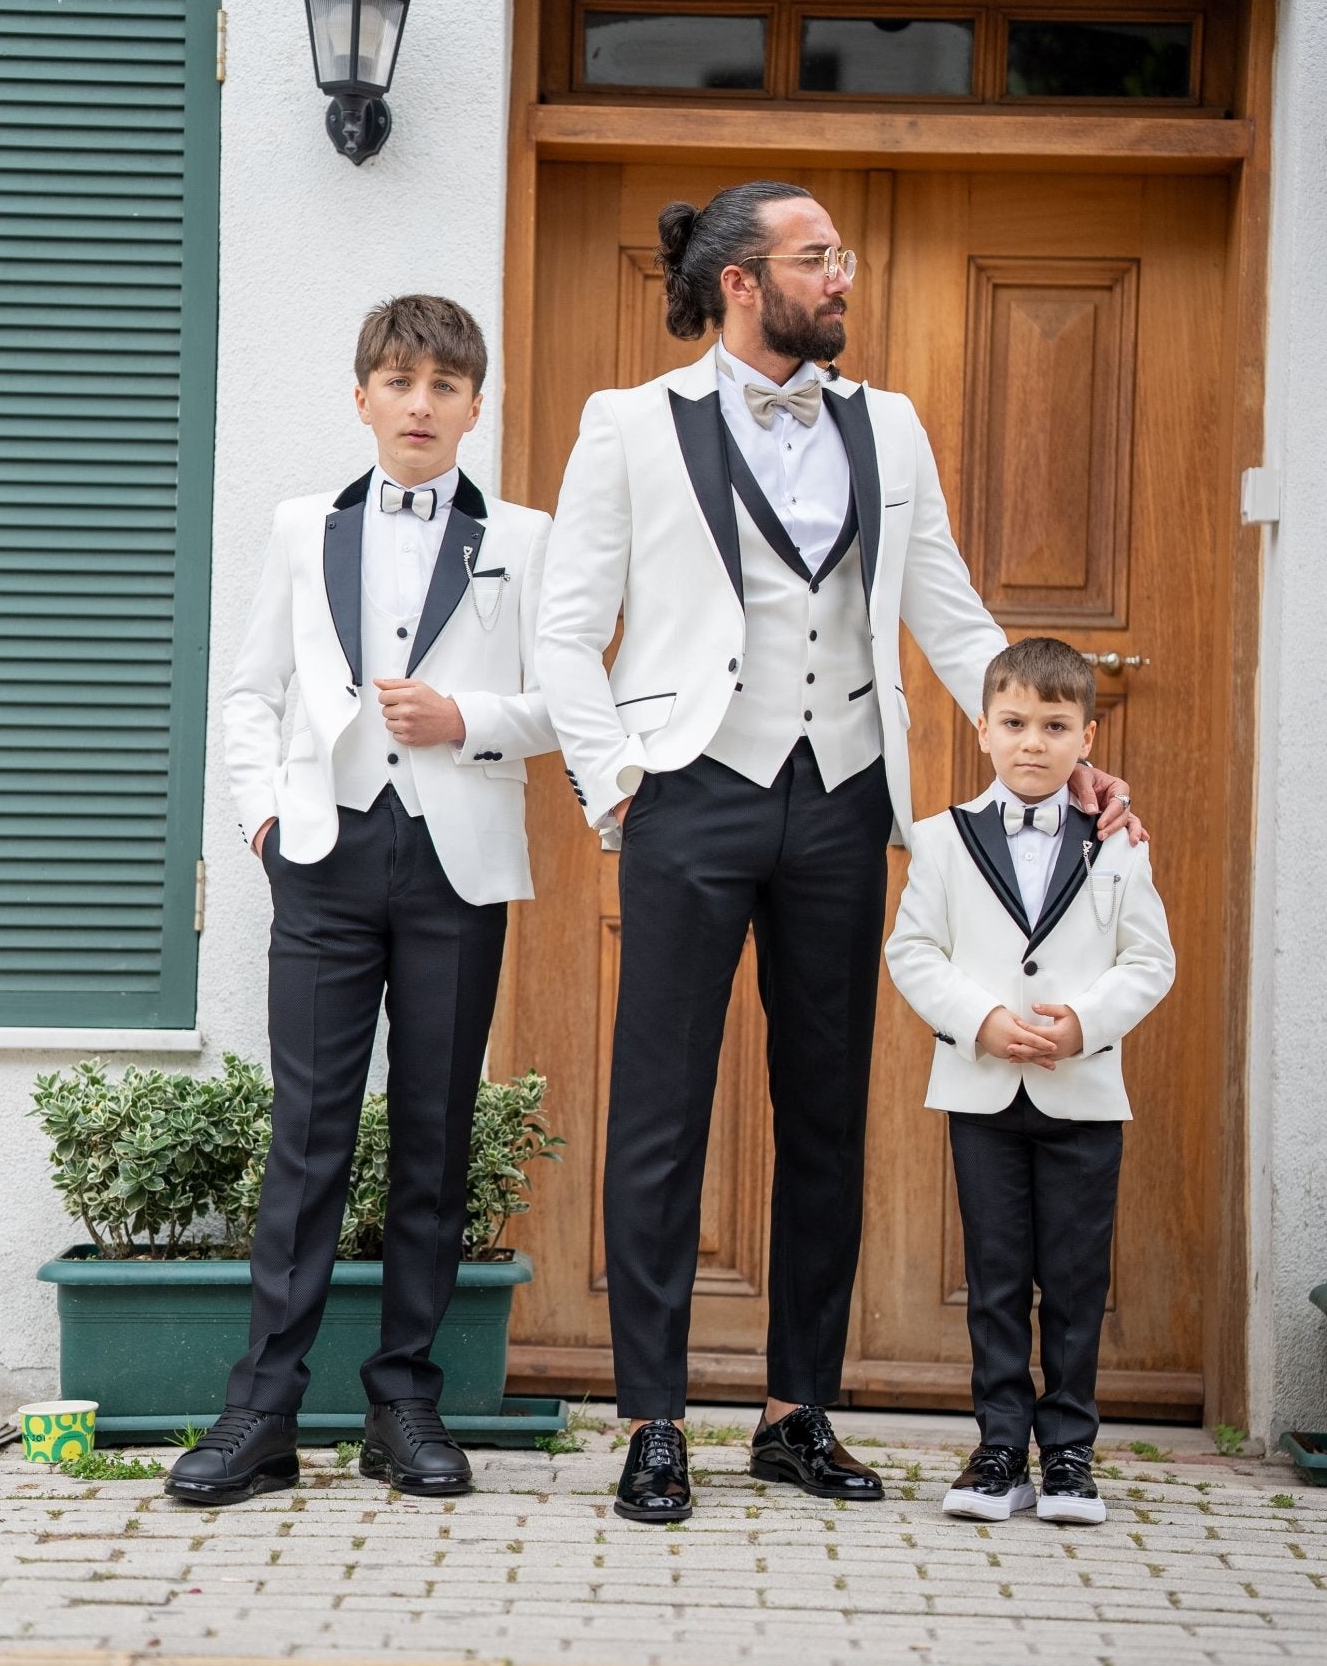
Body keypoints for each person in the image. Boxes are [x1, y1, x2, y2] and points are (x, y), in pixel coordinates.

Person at [534, 182, 1141, 1524]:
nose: (846, 277)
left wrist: (1060, 755)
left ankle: (795, 1410)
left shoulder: (891, 426)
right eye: (821, 260)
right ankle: (653, 1419)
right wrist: (616, 784)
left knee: (823, 1112)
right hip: (690, 793)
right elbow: (565, 628)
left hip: (848, 799)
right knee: (660, 1116)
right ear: (744, 281)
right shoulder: (633, 426)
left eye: (843, 258)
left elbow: (951, 610)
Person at [167, 295, 556, 1507]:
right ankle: (262, 1411)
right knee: (311, 1132)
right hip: (325, 859)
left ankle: (406, 1402)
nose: (422, 403)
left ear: (475, 405)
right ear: (363, 398)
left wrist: (471, 719)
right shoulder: (302, 526)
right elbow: (248, 691)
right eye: (400, 382)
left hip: (456, 863)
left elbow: (570, 701)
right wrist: (264, 822)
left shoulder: (527, 541)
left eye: (446, 385)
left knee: (436, 1138)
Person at [885, 637, 1175, 1526]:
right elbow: (913, 952)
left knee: (1078, 1280)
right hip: (982, 1092)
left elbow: (1149, 960)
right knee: (998, 1275)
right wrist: (981, 1019)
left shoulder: (1118, 844)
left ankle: (1072, 1454)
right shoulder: (940, 841)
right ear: (983, 729)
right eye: (1014, 723)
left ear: (1088, 737)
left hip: (1082, 1096)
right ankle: (1000, 1449)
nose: (1033, 743)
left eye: (1055, 726)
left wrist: (1082, 1025)